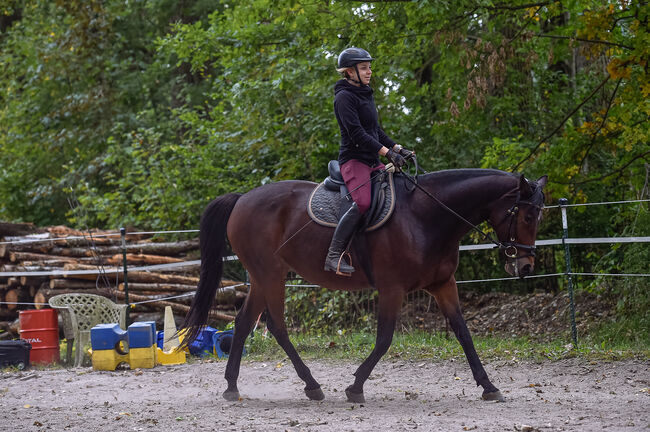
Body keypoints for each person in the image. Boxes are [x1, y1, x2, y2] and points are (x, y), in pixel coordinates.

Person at [324, 47, 413, 275]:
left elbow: (374, 131)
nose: (369, 71)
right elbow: (357, 134)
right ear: (349, 72)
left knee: (398, 192)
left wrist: (398, 148)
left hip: (372, 160)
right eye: (364, 68)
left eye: (369, 67)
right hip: (354, 161)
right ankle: (334, 255)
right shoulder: (343, 98)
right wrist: (386, 153)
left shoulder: (365, 93)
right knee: (363, 203)